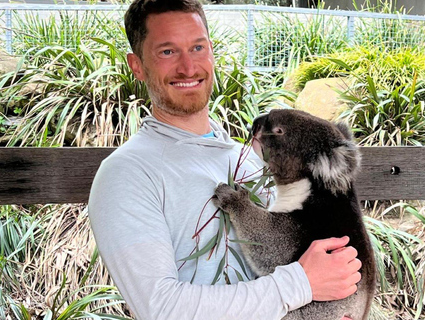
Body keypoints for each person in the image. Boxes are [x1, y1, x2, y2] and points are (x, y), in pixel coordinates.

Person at [88, 0, 362, 319]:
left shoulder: (251, 161)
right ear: (137, 66)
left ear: (211, 51)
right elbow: (160, 309)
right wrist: (301, 284)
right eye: (167, 51)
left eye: (197, 47)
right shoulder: (127, 174)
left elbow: (308, 253)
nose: (188, 67)